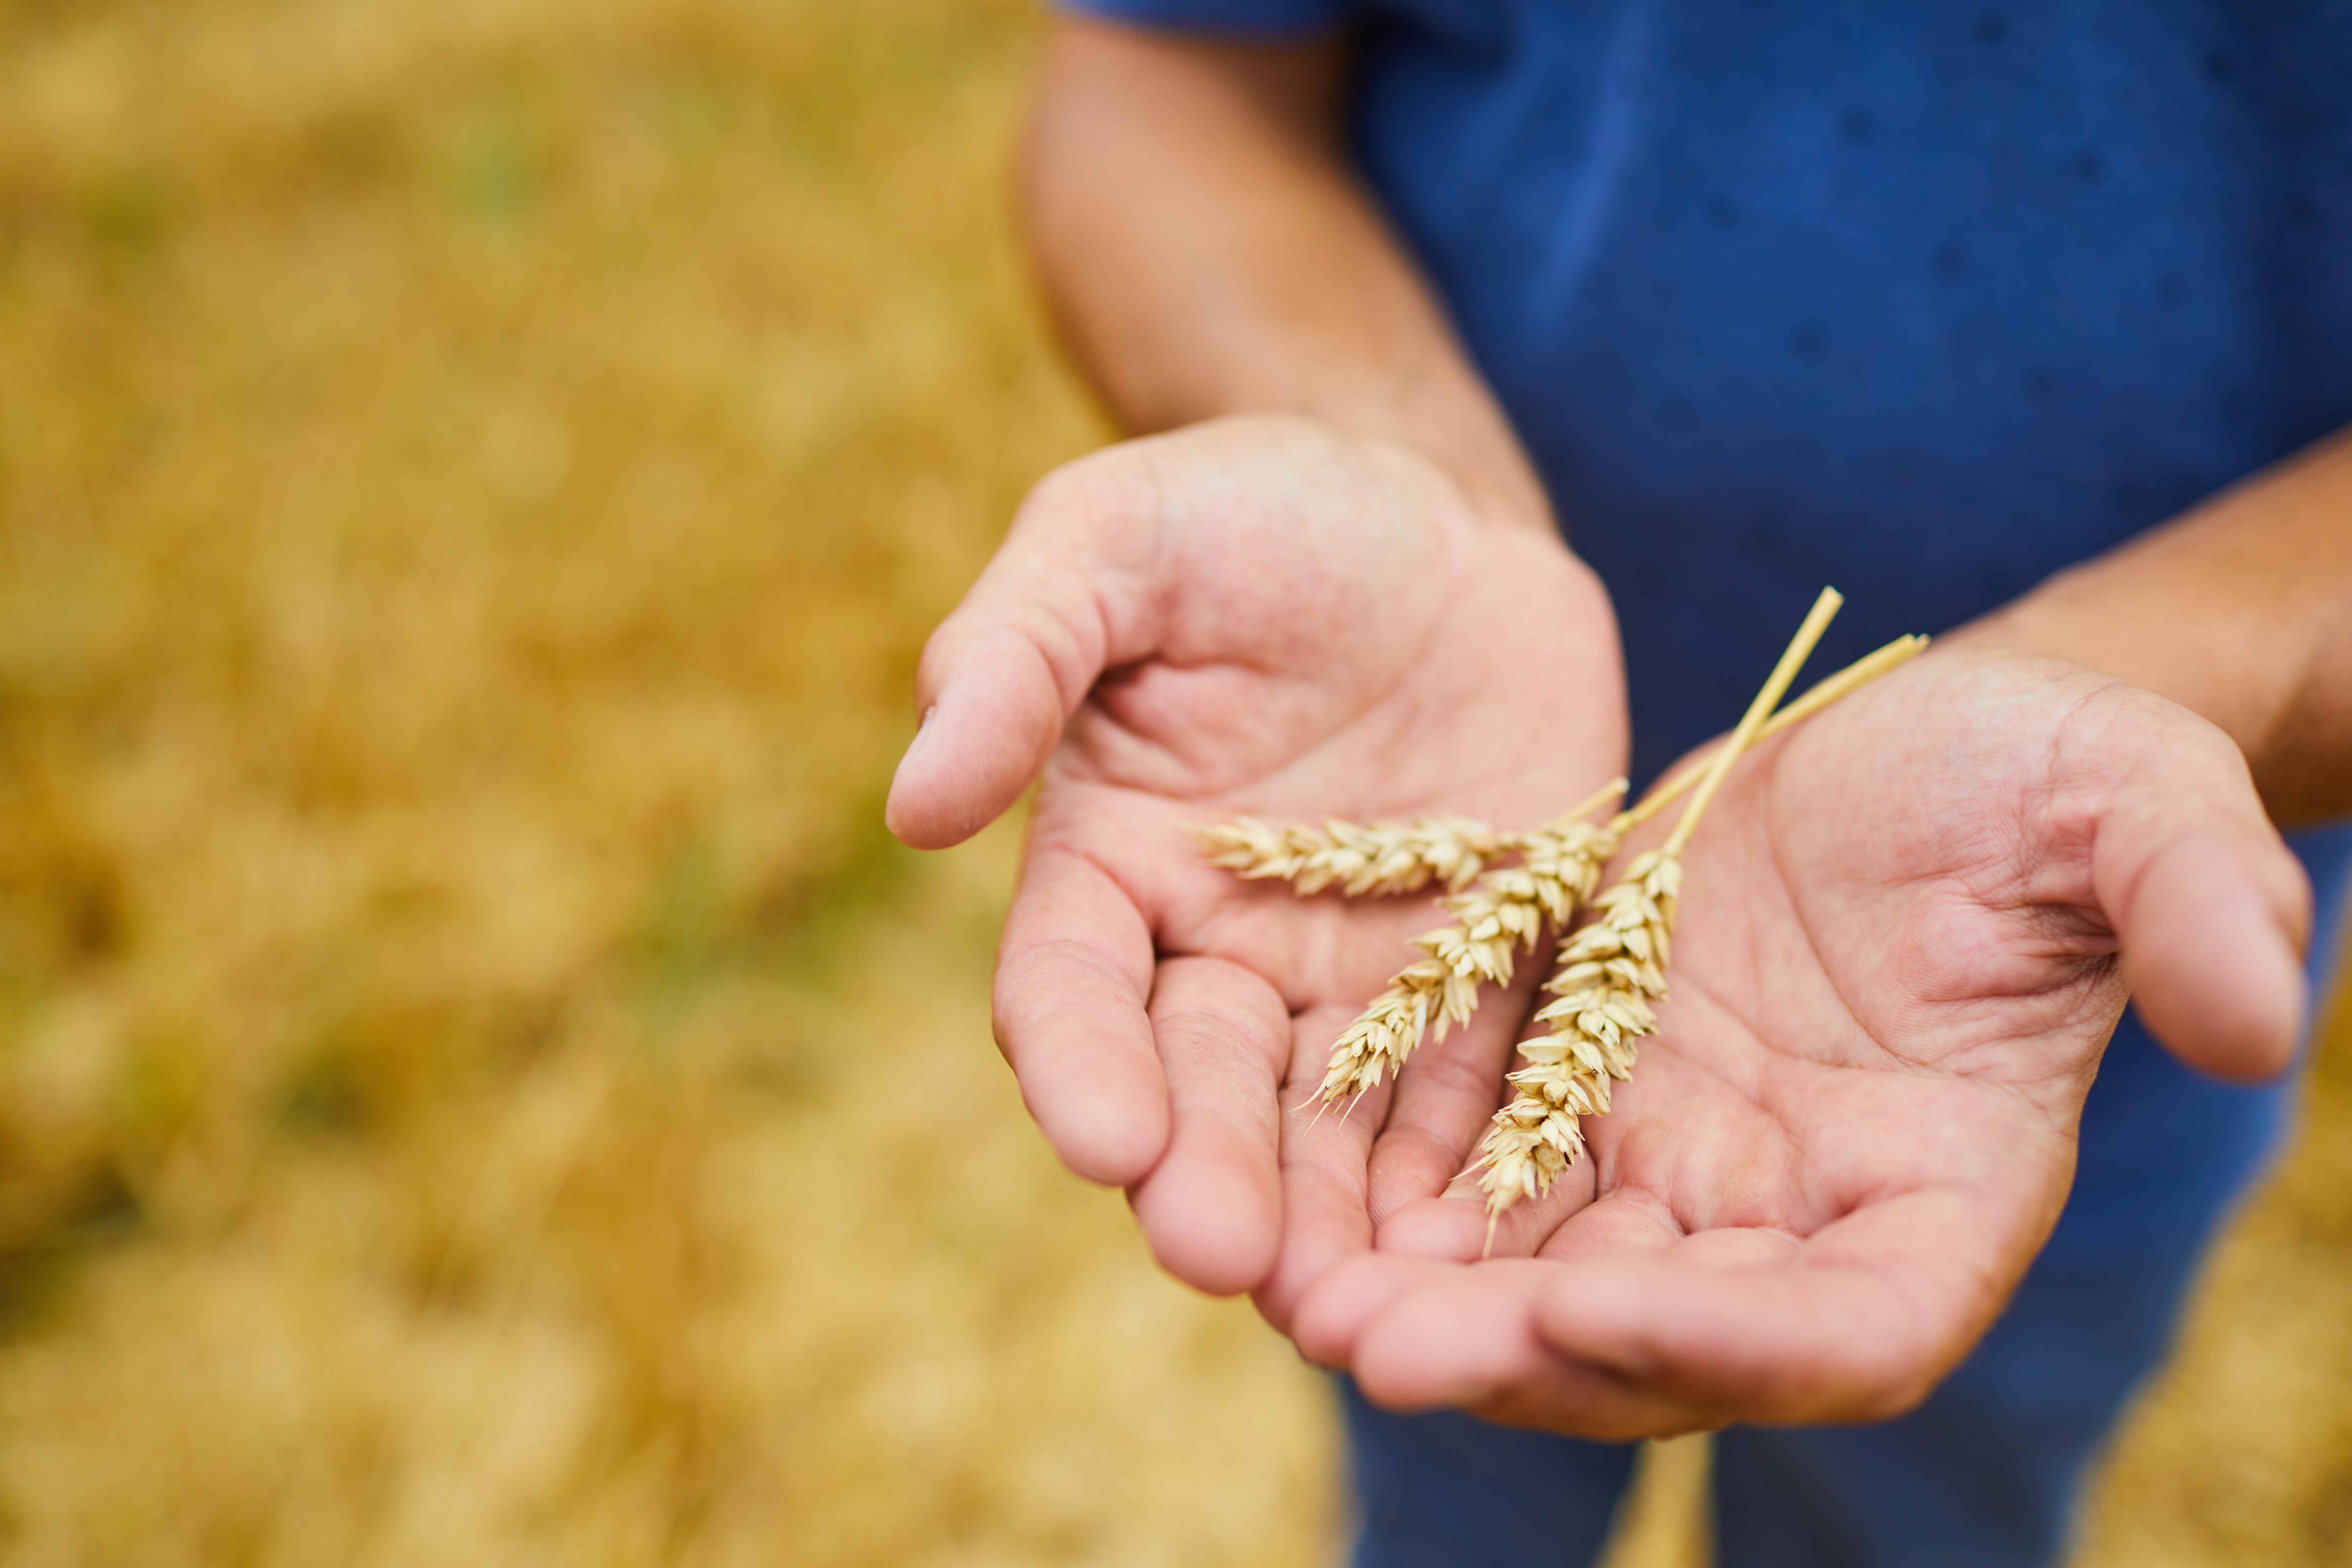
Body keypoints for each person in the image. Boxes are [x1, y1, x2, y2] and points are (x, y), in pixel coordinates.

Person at [885, 6, 2352, 1565]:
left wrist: (2180, 673)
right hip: (1439, 757)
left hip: (2027, 1017)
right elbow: (1170, 85)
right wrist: (1360, 434)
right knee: (1440, 1414)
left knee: (1913, 1510)